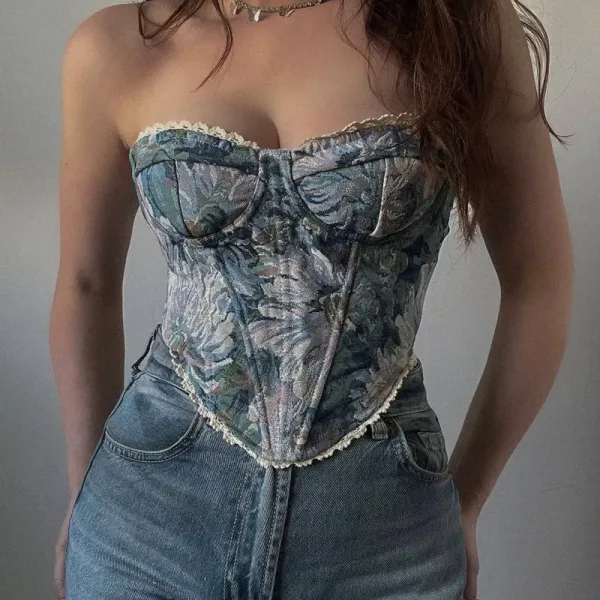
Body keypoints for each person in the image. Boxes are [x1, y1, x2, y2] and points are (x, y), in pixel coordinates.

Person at [49, 0, 573, 598]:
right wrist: (83, 491)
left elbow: (538, 283)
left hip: (383, 530)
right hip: (146, 523)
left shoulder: (458, 19)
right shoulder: (117, 45)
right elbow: (86, 284)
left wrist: (469, 499)